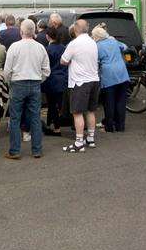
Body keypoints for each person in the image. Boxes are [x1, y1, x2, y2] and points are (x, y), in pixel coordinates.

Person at [3, 19, 50, 159]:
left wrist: (10, 81)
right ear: (34, 31)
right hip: (35, 83)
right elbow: (46, 70)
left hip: (18, 83)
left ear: (21, 31)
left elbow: (7, 70)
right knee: (35, 117)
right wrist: (38, 79)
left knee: (15, 118)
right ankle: (37, 150)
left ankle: (15, 150)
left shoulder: (14, 47)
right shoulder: (40, 47)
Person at [61, 19, 100, 153]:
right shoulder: (93, 42)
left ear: (75, 29)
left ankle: (78, 142)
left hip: (80, 82)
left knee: (77, 113)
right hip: (94, 79)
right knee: (90, 110)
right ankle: (90, 138)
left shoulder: (74, 44)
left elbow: (63, 61)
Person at [93, 26, 130, 133]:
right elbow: (125, 46)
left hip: (109, 75)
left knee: (109, 102)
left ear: (96, 36)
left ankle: (109, 127)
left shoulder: (97, 46)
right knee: (121, 101)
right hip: (122, 73)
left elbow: (96, 60)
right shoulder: (113, 41)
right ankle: (120, 126)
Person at [41, 26, 68, 136]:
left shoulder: (47, 50)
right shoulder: (63, 47)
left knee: (51, 105)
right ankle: (50, 124)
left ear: (47, 36)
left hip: (51, 79)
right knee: (58, 104)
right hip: (62, 78)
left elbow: (45, 66)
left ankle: (56, 128)